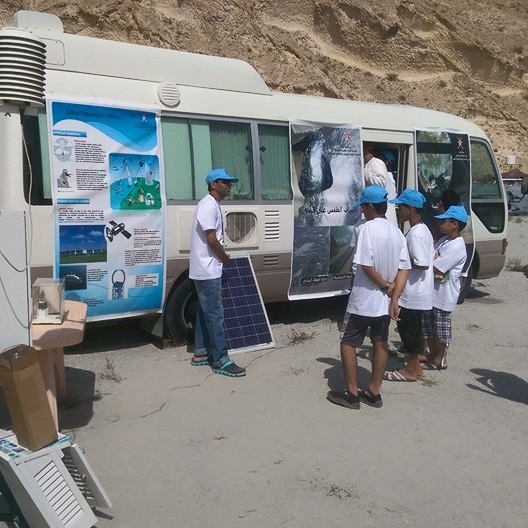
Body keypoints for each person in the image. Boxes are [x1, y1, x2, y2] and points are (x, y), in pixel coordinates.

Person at [327, 186, 410, 409]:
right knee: (380, 342)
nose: (362, 210)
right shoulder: (396, 232)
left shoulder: (367, 229)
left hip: (363, 300)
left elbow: (365, 264)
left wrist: (384, 286)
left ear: (370, 207)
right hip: (384, 304)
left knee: (348, 341)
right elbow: (404, 269)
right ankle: (374, 391)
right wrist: (394, 297)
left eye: (363, 206)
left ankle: (352, 393)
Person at [189, 168, 246, 377]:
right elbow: (211, 238)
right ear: (213, 184)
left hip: (205, 268)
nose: (229, 186)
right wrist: (224, 257)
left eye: (230, 183)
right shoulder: (208, 205)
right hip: (208, 269)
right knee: (215, 314)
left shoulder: (211, 204)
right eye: (225, 182)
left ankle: (200, 352)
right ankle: (220, 359)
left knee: (205, 312)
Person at [383, 189, 434, 382]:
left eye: (401, 207)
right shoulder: (420, 230)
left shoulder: (416, 234)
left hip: (414, 294)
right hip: (419, 293)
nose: (399, 210)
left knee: (410, 334)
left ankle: (411, 370)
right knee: (412, 333)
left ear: (411, 209)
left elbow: (422, 263)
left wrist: (401, 267)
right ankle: (415, 368)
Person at [421, 205, 468, 371]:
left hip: (444, 296)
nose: (440, 224)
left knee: (441, 330)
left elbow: (436, 267)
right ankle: (432, 353)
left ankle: (440, 358)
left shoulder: (457, 246)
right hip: (433, 292)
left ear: (454, 224)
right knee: (429, 327)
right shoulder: (444, 241)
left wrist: (434, 258)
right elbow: (431, 256)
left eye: (444, 221)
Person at [363, 144, 397, 224]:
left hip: (381, 214)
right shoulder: (369, 164)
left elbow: (381, 182)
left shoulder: (376, 162)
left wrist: (364, 172)